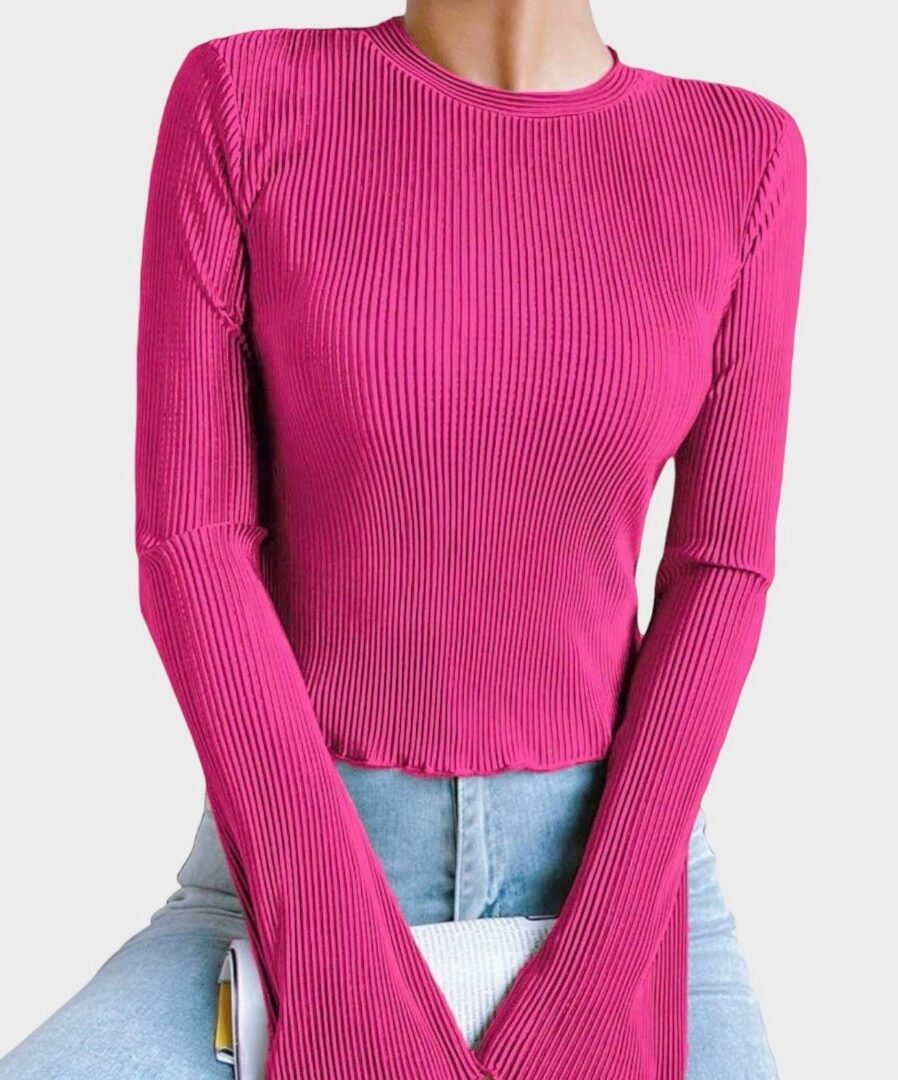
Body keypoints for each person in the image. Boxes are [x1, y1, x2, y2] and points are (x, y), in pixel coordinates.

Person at [0, 3, 806, 1078]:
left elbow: (721, 571)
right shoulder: (245, 102)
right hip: (291, 874)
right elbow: (191, 544)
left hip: (620, 897)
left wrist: (590, 986)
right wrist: (340, 970)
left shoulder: (741, 155)